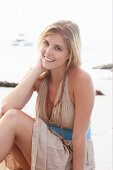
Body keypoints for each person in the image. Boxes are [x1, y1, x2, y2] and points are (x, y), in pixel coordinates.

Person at [0, 20, 95, 170]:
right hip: (46, 152)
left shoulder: (80, 79)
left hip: (71, 159)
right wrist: (37, 69)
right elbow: (6, 107)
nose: (48, 52)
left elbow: (79, 139)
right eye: (46, 43)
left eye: (57, 48)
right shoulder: (39, 75)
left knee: (12, 118)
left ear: (70, 53)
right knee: (4, 117)